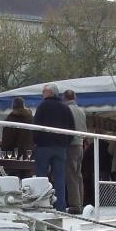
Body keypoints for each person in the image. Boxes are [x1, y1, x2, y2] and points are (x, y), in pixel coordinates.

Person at [32, 83, 75, 211]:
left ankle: (43, 205)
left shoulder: (42, 107)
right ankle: (60, 206)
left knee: (42, 177)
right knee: (60, 178)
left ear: (49, 93)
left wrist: (36, 141)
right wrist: (66, 142)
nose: (42, 94)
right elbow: (72, 128)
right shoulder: (65, 108)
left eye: (44, 91)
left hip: (44, 146)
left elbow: (36, 127)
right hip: (61, 147)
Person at [62, 89, 87, 213]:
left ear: (64, 98)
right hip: (80, 145)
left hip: (71, 145)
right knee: (78, 175)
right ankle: (80, 202)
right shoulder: (81, 111)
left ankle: (75, 205)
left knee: (71, 175)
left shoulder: (66, 110)